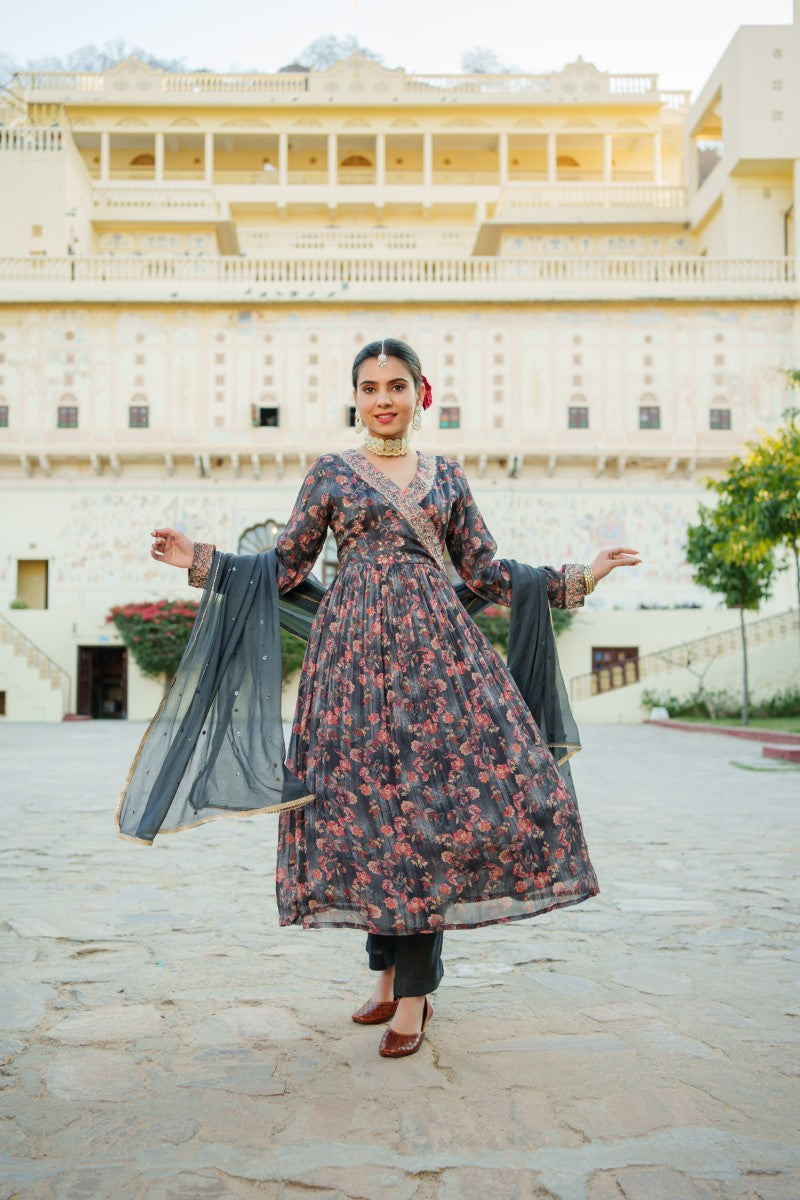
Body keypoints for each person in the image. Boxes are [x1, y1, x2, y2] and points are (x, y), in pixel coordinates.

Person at [149, 337, 640, 1058]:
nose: (384, 398)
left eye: (397, 386)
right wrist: (201, 561)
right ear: (356, 397)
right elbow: (286, 566)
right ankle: (384, 977)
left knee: (427, 814)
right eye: (371, 386)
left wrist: (581, 577)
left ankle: (414, 997)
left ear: (421, 394)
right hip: (347, 665)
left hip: (436, 666)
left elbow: (487, 570)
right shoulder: (329, 474)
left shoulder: (446, 477)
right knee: (366, 815)